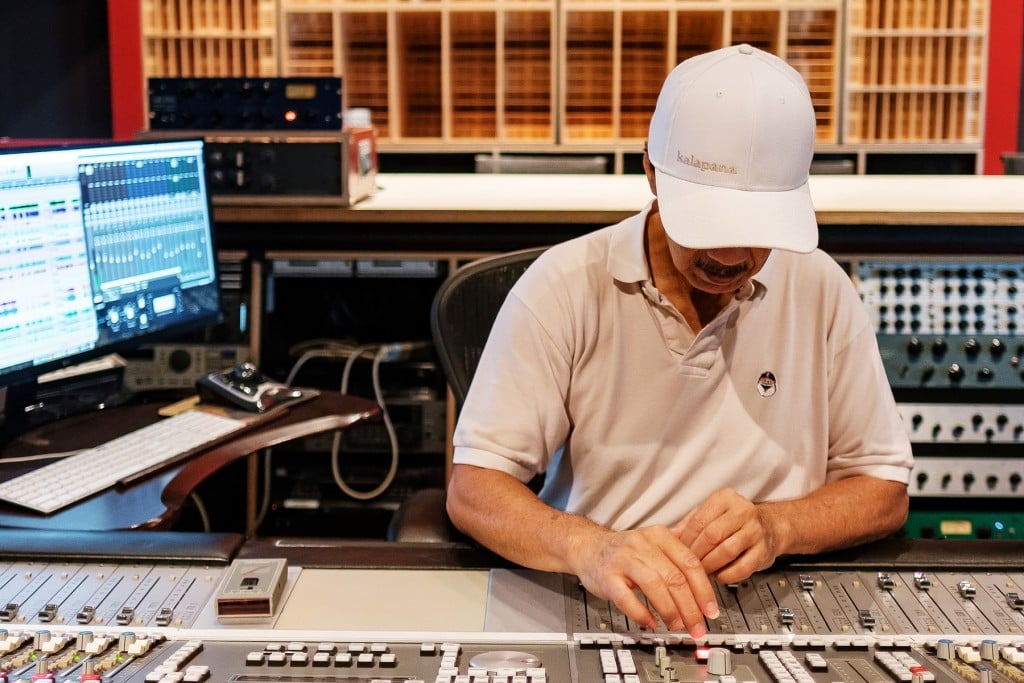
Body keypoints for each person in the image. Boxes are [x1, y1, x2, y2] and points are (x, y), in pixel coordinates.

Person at [445, 44, 913, 639]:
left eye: (757, 229)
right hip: (603, 599)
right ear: (651, 173)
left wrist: (779, 528)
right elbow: (474, 488)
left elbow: (883, 491)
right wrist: (592, 548)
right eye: (709, 223)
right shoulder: (563, 287)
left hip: (779, 607)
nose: (728, 257)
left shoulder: (820, 287)